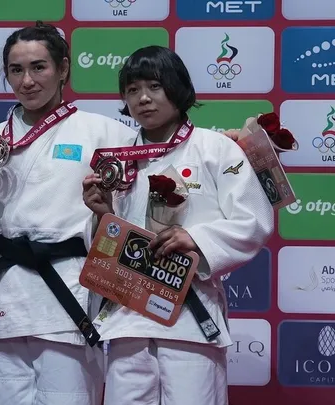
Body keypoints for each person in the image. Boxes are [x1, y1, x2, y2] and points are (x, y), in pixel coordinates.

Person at [0, 21, 138, 405]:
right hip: (6, 299)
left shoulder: (106, 134)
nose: (27, 81)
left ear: (63, 69)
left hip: (68, 296)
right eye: (16, 70)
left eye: (38, 67)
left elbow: (135, 207)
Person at [82, 45, 274, 405]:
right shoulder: (117, 161)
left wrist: (195, 238)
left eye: (154, 86)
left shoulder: (215, 149)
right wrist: (102, 215)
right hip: (127, 319)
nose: (143, 99)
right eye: (132, 90)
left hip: (190, 316)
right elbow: (106, 246)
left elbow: (253, 221)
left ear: (178, 87)